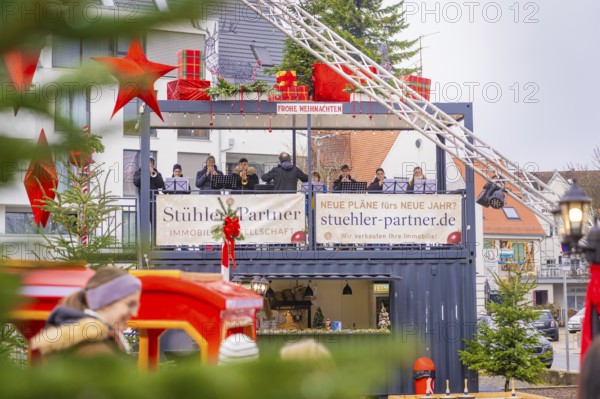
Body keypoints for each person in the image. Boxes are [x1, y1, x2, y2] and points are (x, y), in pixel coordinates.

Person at [30, 267, 142, 359]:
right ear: (105, 301)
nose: (135, 313)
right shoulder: (95, 350)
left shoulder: (86, 339)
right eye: (130, 304)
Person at [133, 156, 165, 221]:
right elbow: (136, 182)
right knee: (142, 224)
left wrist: (155, 175)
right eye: (148, 163)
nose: (150, 164)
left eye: (151, 163)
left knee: (155, 224)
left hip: (154, 203)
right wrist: (145, 173)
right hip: (143, 202)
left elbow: (161, 185)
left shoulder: (157, 174)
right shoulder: (138, 173)